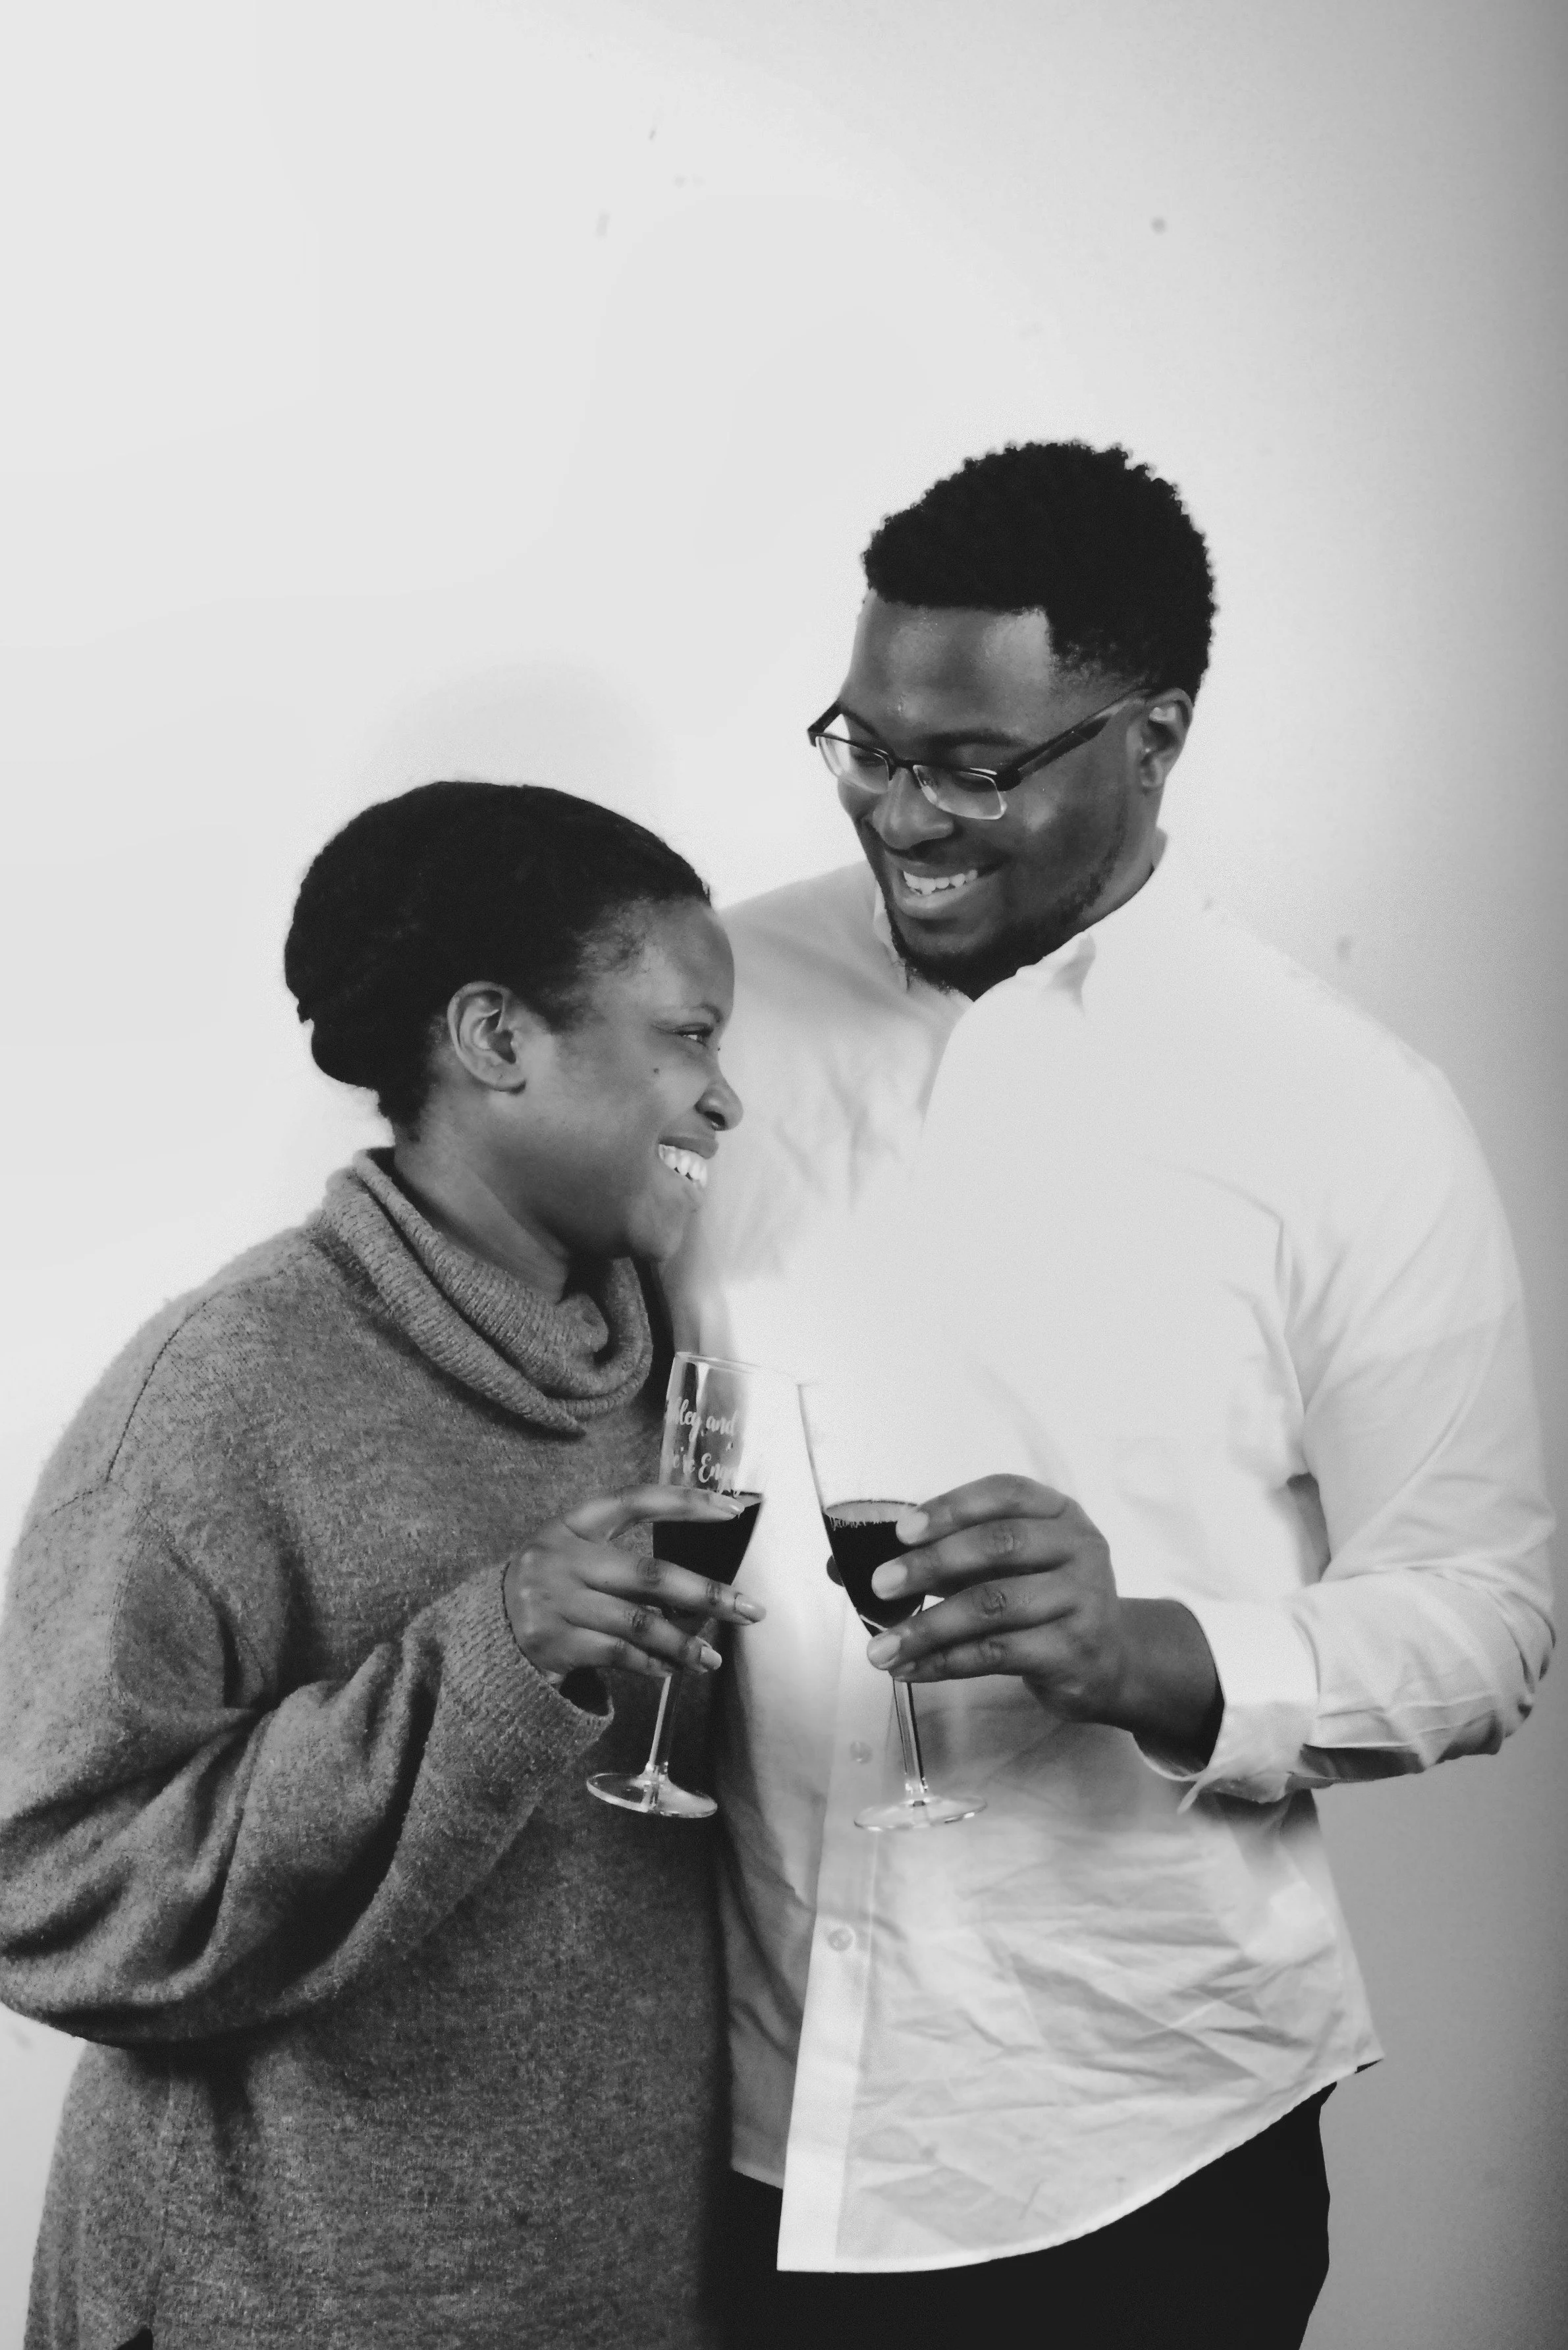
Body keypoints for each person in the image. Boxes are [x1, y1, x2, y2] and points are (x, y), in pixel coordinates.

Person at [671, 441, 1555, 2349]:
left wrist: (1146, 1647)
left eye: (973, 767)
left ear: (1152, 738)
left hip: (1132, 2148)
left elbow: (1485, 1618)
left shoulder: (1348, 1115)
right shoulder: (709, 997)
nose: (902, 812)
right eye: (866, 743)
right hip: (718, 2125)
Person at [0, 779, 761, 2349]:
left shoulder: (675, 1361)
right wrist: (485, 1659)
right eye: (686, 1034)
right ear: (495, 1037)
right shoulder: (225, 1389)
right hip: (275, 2301)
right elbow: (41, 1889)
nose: (721, 1096)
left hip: (602, 2298)